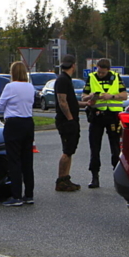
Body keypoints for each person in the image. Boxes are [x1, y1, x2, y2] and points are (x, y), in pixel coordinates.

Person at [81, 58, 128, 188]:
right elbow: (83, 96)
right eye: (99, 71)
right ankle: (94, 177)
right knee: (94, 148)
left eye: (103, 72)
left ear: (108, 70)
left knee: (115, 148)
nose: (100, 74)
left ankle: (117, 178)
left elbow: (125, 95)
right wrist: (90, 96)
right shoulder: (92, 77)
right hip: (97, 116)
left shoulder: (116, 77)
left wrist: (111, 96)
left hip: (113, 116)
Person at [0, 61, 36, 206]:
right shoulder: (30, 87)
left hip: (13, 123)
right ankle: (29, 194)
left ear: (12, 73)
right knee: (27, 160)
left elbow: (0, 105)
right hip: (28, 122)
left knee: (14, 160)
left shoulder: (10, 87)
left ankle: (16, 195)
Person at [54, 54, 82, 192]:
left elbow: (70, 101)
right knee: (67, 151)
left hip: (71, 119)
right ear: (73, 65)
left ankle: (66, 178)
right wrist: (70, 119)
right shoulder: (62, 80)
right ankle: (60, 181)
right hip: (66, 121)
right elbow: (62, 101)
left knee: (70, 150)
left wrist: (86, 103)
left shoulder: (66, 79)